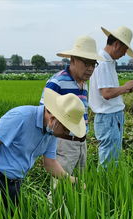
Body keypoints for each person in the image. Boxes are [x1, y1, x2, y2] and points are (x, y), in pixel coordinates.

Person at [0, 89, 86, 219]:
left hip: (14, 182)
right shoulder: (21, 116)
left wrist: (71, 180)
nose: (66, 133)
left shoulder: (51, 132)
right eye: (66, 128)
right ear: (53, 120)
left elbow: (50, 164)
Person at [39, 36, 104, 178]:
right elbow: (43, 113)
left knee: (78, 186)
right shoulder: (57, 82)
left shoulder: (83, 84)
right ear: (73, 59)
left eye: (93, 64)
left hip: (81, 143)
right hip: (64, 144)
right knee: (60, 187)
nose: (90, 69)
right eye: (86, 63)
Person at [89, 26, 133, 166]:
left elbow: (110, 91)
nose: (124, 54)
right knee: (109, 161)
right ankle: (105, 187)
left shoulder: (108, 61)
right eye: (124, 50)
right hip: (108, 118)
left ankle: (108, 185)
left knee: (113, 158)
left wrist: (125, 90)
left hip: (112, 117)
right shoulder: (103, 62)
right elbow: (106, 93)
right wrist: (125, 87)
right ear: (117, 44)